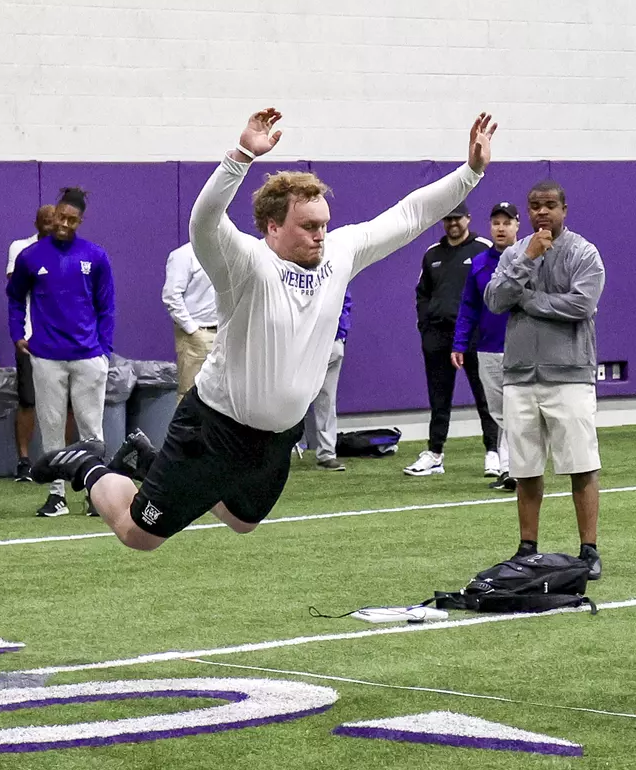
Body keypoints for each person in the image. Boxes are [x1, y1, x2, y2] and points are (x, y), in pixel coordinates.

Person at [35, 108, 497, 551]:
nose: (320, 234)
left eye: (324, 225)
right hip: (213, 428)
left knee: (242, 521)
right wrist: (240, 155)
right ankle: (92, 469)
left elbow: (409, 215)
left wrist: (470, 172)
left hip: (277, 436)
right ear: (273, 226)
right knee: (140, 534)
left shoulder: (340, 253)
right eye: (309, 226)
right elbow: (204, 223)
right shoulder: (247, 264)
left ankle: (145, 462)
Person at [486, 180, 606, 578]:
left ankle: (588, 550)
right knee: (525, 467)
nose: (542, 212)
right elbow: (495, 299)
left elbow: (582, 304)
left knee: (581, 464)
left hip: (569, 375)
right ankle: (527, 548)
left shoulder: (583, 252)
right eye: (535, 206)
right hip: (520, 375)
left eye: (550, 205)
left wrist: (530, 301)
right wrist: (527, 260)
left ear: (564, 210)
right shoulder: (515, 253)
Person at [8, 188, 114, 518]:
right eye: (60, 217)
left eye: (71, 219)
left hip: (88, 356)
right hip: (46, 356)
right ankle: (57, 496)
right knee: (52, 426)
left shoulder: (95, 256)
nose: (64, 224)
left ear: (81, 220)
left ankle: (96, 495)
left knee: (91, 429)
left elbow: (106, 306)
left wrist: (104, 350)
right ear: (53, 215)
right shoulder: (31, 256)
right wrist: (17, 335)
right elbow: (14, 297)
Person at [404, 202, 498, 477]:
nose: (453, 224)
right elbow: (422, 293)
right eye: (448, 219)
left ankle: (493, 452)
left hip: (473, 335)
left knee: (485, 396)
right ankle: (435, 454)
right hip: (438, 335)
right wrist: (426, 324)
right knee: (438, 397)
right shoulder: (432, 254)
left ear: (468, 219)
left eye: (457, 218)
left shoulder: (483, 249)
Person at [453, 201, 519, 490]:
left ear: (517, 224)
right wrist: (459, 343)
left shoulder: (528, 258)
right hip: (488, 349)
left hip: (524, 348)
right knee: (500, 412)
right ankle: (511, 468)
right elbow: (469, 306)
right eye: (496, 223)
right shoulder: (479, 263)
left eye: (506, 222)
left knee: (519, 411)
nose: (501, 228)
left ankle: (511, 469)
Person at [7, 203, 57, 481]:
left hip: (61, 339)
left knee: (67, 404)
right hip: (29, 334)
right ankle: (24, 460)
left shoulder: (68, 251)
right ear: (37, 223)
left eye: (55, 220)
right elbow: (18, 285)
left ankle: (65, 459)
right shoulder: (21, 249)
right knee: (28, 400)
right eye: (46, 220)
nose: (51, 225)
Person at [303, 291, 353, 470]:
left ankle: (327, 454)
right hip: (302, 343)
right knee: (289, 397)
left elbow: (344, 301)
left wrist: (341, 335)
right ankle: (275, 454)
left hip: (331, 342)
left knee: (327, 400)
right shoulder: (297, 270)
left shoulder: (336, 270)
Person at [163, 240, 219, 394]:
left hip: (225, 334)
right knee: (190, 394)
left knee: (224, 397)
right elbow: (171, 296)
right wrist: (193, 331)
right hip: (197, 336)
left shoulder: (226, 252)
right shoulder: (184, 255)